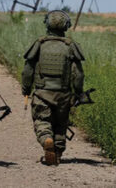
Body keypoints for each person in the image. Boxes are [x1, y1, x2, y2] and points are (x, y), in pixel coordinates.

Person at [21, 10, 85, 165]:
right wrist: (78, 93)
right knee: (61, 124)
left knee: (42, 121)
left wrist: (26, 89)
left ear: (47, 24)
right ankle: (57, 153)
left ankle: (46, 139)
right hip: (63, 95)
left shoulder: (40, 44)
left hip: (42, 93)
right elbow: (78, 75)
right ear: (66, 26)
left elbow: (27, 70)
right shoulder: (70, 46)